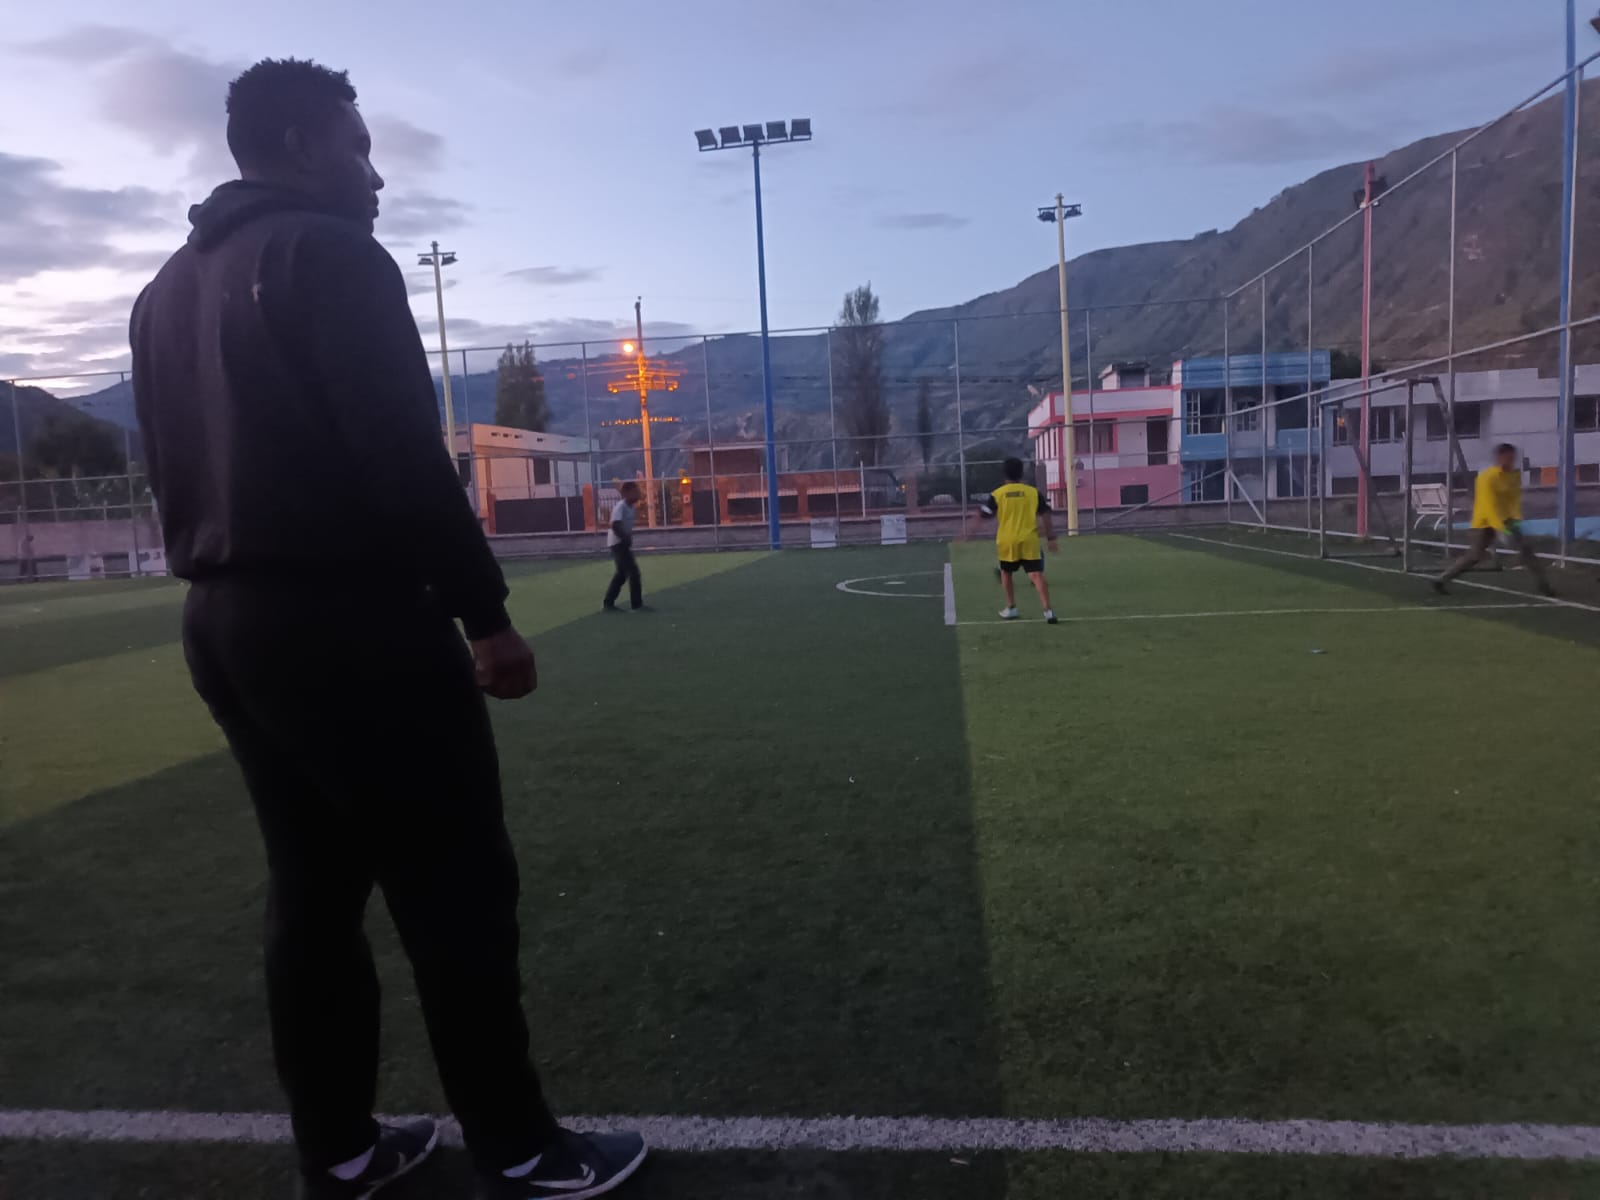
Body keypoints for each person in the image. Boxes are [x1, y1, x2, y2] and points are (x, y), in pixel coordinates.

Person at [130, 58, 645, 1200]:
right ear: (302, 146)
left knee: (311, 891)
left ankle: (343, 1152)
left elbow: (170, 467)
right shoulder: (329, 254)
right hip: (350, 621)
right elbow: (401, 455)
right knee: (456, 888)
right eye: (359, 148)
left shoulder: (164, 289)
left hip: (224, 621)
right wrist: (487, 617)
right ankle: (519, 1147)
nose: (374, 176)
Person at [1433, 442, 1555, 597]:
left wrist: (1515, 520)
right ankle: (1441, 580)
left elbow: (1514, 501)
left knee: (1526, 550)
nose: (1509, 461)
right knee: (1474, 557)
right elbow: (1489, 506)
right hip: (1484, 522)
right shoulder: (1487, 477)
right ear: (1499, 457)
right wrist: (1501, 529)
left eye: (1512, 458)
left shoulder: (1514, 476)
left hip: (1507, 521)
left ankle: (1544, 586)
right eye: (1506, 457)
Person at [979, 457, 1059, 623]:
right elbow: (1046, 513)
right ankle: (1048, 611)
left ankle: (1011, 607)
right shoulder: (1033, 492)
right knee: (1036, 574)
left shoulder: (997, 494)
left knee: (1006, 573)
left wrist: (971, 527)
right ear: (1021, 473)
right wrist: (1051, 537)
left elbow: (985, 514)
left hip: (1007, 540)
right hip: (1029, 539)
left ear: (1004, 474)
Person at [602, 481, 644, 611]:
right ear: (627, 493)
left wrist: (628, 537)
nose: (638, 493)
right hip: (617, 543)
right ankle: (636, 604)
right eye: (635, 491)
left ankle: (609, 602)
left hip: (622, 543)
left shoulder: (631, 507)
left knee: (622, 574)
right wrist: (625, 538)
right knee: (633, 572)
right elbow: (615, 524)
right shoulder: (620, 507)